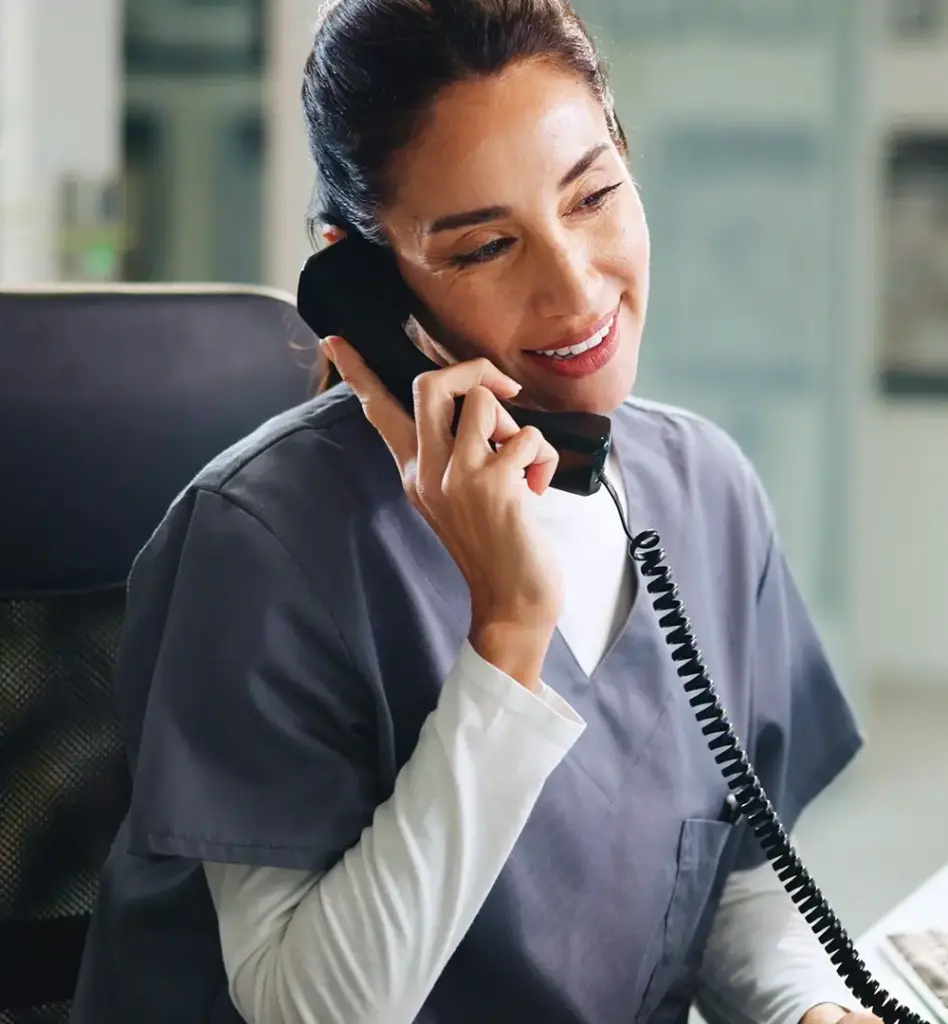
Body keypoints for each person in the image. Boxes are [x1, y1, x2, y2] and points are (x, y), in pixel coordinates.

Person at [70, 1, 878, 1022]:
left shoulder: (704, 490)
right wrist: (506, 636)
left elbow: (734, 867)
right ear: (365, 283)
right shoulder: (264, 539)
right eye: (486, 247)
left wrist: (807, 1006)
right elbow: (310, 1008)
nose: (576, 288)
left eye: (592, 197)